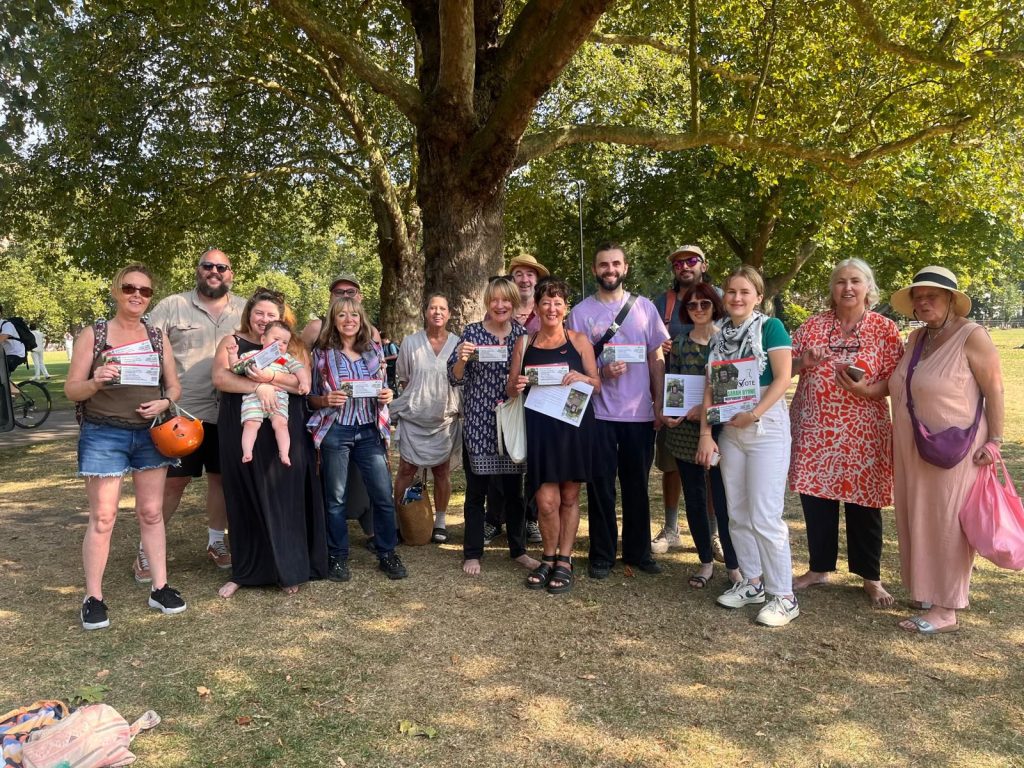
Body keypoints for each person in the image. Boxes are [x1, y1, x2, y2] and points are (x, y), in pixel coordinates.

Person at [64, 264, 185, 630]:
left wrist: (165, 403)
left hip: (150, 433)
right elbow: (72, 389)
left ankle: (160, 587)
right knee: (103, 517)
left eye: (145, 291)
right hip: (104, 432)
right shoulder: (95, 333)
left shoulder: (156, 335)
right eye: (130, 288)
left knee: (151, 513)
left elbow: (174, 387)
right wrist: (96, 381)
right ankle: (93, 597)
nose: (137, 295)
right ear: (117, 290)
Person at [887, 266, 1004, 634]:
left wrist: (995, 440)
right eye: (918, 298)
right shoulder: (917, 338)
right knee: (917, 515)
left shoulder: (972, 335)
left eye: (932, 296)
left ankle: (946, 607)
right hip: (912, 444)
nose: (923, 303)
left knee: (946, 521)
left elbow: (994, 389)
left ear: (952, 300)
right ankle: (926, 590)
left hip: (954, 446)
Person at [789, 259, 903, 607]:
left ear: (868, 287)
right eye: (840, 282)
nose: (848, 288)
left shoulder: (884, 329)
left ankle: (870, 577)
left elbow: (897, 378)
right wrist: (803, 362)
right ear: (832, 289)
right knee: (816, 498)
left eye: (855, 281)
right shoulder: (812, 326)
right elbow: (782, 368)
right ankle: (819, 568)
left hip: (863, 431)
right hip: (816, 429)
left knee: (864, 504)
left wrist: (870, 391)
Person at [696, 265, 798, 627]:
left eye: (744, 291)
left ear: (758, 296)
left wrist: (753, 414)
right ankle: (752, 583)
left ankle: (783, 595)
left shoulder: (771, 327)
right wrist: (706, 433)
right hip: (730, 431)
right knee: (737, 513)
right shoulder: (718, 334)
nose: (736, 298)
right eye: (731, 291)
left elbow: (783, 377)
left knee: (765, 515)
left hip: (764, 428)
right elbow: (710, 385)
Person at [212, 288, 328, 597]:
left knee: (283, 495)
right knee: (244, 495)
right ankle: (247, 570)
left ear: (282, 318)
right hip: (243, 424)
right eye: (259, 313)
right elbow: (221, 379)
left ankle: (288, 567)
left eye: (271, 315)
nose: (264, 320)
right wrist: (255, 386)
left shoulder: (293, 345)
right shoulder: (232, 343)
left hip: (282, 425)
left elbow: (301, 384)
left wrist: (267, 381)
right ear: (249, 313)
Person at [567, 242, 669, 579]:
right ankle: (602, 554)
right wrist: (600, 371)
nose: (609, 270)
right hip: (598, 412)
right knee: (601, 486)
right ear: (595, 270)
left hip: (639, 414)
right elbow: (575, 363)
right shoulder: (581, 312)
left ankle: (639, 552)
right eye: (603, 265)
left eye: (615, 264)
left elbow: (657, 358)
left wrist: (658, 404)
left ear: (625, 268)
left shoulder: (644, 309)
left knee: (637, 485)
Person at [147, 248, 246, 581]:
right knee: (173, 484)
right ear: (198, 269)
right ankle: (147, 550)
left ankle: (217, 543)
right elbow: (146, 346)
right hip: (181, 415)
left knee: (221, 481)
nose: (214, 271)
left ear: (231, 273)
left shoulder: (245, 309)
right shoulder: (172, 306)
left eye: (222, 267)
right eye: (208, 266)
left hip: (230, 415)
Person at [506, 278, 600, 594]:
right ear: (536, 306)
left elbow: (596, 385)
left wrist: (582, 377)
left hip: (572, 426)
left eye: (558, 302)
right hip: (541, 429)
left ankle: (564, 559)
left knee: (570, 496)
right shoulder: (524, 343)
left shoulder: (580, 340)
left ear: (566, 307)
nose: (551, 308)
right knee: (546, 501)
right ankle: (547, 557)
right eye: (546, 301)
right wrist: (516, 386)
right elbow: (510, 388)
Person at [307, 297, 407, 582]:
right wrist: (325, 399)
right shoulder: (322, 354)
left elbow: (383, 389)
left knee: (382, 495)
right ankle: (338, 556)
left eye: (354, 314)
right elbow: (308, 400)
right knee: (335, 499)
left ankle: (387, 552)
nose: (348, 319)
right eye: (341, 315)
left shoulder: (374, 351)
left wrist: (388, 395)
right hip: (336, 430)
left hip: (368, 430)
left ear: (362, 319)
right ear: (333, 321)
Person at [448, 276, 541, 577]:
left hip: (512, 421)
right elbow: (455, 377)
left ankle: (519, 550)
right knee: (477, 493)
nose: (500, 305)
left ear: (514, 303)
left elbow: (531, 375)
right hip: (479, 421)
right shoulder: (472, 332)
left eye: (506, 300)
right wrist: (461, 360)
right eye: (494, 300)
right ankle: (473, 552)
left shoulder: (523, 335)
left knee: (515, 492)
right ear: (488, 303)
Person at [661, 282, 741, 588]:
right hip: (684, 432)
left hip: (722, 430)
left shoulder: (729, 343)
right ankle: (705, 562)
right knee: (694, 498)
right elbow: (674, 384)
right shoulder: (678, 343)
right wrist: (672, 411)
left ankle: (733, 565)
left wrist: (703, 409)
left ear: (715, 306)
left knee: (724, 499)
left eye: (704, 304)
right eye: (692, 306)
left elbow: (733, 390)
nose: (697, 310)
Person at [650, 245, 715, 556]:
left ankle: (713, 534)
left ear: (703, 265)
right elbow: (651, 347)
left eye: (691, 261)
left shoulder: (720, 294)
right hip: (676, 398)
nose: (684, 266)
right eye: (678, 263)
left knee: (713, 468)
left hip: (715, 401)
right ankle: (672, 528)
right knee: (672, 466)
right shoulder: (663, 301)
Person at [390, 294, 461, 544]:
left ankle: (439, 522)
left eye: (442, 308)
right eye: (433, 307)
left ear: (449, 313)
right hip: (415, 417)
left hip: (444, 419)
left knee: (442, 471)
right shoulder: (410, 342)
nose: (437, 312)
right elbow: (404, 378)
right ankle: (401, 520)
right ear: (425, 312)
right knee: (406, 470)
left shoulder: (459, 343)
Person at [226, 320, 310, 466]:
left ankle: (284, 453)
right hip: (254, 397)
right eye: (276, 339)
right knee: (251, 423)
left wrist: (304, 382)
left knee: (281, 424)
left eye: (284, 342)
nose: (280, 344)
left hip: (278, 397)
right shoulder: (253, 355)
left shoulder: (283, 359)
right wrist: (233, 355)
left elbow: (298, 369)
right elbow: (236, 368)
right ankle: (247, 452)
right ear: (263, 339)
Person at [300, 273, 381, 347]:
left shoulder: (372, 333)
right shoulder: (316, 327)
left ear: (360, 297)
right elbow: (296, 359)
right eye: (339, 292)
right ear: (330, 298)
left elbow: (381, 361)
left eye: (351, 292)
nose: (345, 295)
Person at [509, 253, 549, 333]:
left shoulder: (547, 311)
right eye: (519, 275)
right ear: (512, 280)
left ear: (537, 281)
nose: (524, 280)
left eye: (530, 274)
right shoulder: (497, 311)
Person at [0, 304, 27, 376]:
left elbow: (3, 337)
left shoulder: (6, 324)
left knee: (3, 376)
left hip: (15, 354)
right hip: (5, 355)